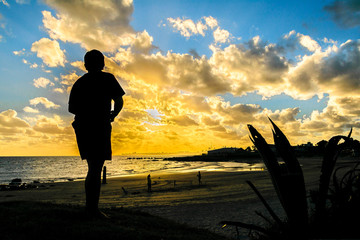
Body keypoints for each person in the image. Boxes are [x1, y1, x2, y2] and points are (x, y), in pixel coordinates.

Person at [69, 49, 125, 217]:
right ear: (102, 64)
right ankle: (92, 210)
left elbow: (72, 108)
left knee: (93, 167)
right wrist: (113, 114)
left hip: (84, 126)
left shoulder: (80, 82)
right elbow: (119, 101)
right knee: (95, 167)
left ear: (85, 65)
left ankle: (91, 208)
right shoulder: (108, 79)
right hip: (99, 125)